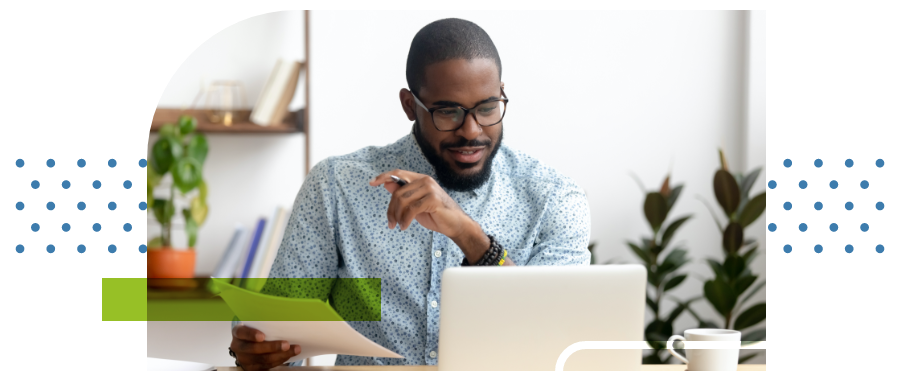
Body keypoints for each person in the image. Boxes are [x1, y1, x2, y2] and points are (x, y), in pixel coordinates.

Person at [229, 18, 591, 370]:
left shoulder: (554, 199)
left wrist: (468, 234)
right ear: (409, 105)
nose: (471, 130)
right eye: (448, 112)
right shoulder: (337, 186)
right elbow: (279, 325)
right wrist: (258, 346)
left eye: (487, 108)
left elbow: (556, 342)